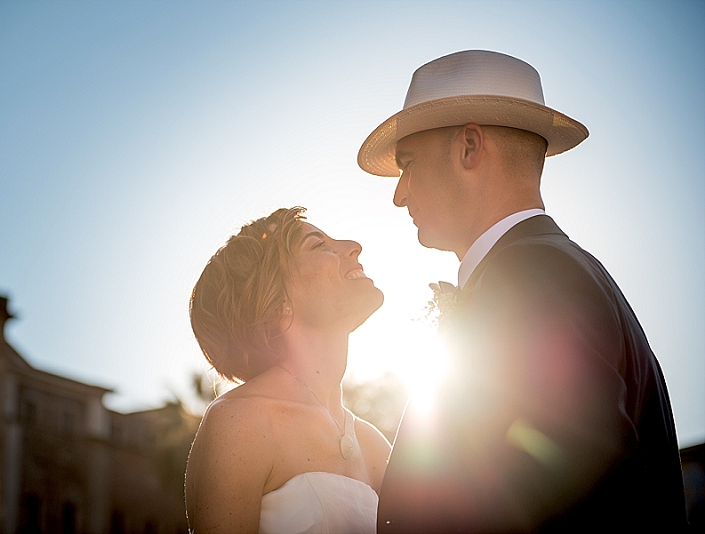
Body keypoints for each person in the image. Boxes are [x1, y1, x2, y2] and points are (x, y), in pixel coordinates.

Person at [357, 50, 688, 532]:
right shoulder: (553, 271)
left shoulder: (533, 278)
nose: (399, 193)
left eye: (408, 164)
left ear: (470, 147)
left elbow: (565, 500)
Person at [185, 206, 391, 534]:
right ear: (278, 298)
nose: (353, 245)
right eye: (318, 245)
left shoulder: (375, 447)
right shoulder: (238, 423)